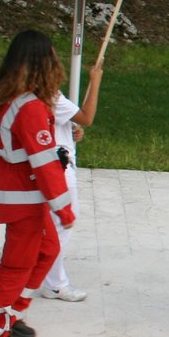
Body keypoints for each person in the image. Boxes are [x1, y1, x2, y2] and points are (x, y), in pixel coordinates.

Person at [0, 31, 75, 337]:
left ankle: (12, 314)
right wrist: (64, 208)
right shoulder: (29, 106)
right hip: (24, 195)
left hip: (14, 189)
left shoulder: (6, 97)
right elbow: (45, 163)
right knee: (17, 263)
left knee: (46, 251)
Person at [40, 59, 104, 302]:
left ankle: (36, 271)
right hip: (59, 168)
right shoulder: (51, 97)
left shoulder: (30, 95)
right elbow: (86, 117)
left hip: (49, 163)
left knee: (45, 224)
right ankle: (55, 283)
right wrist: (95, 81)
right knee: (61, 226)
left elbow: (67, 123)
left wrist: (70, 131)